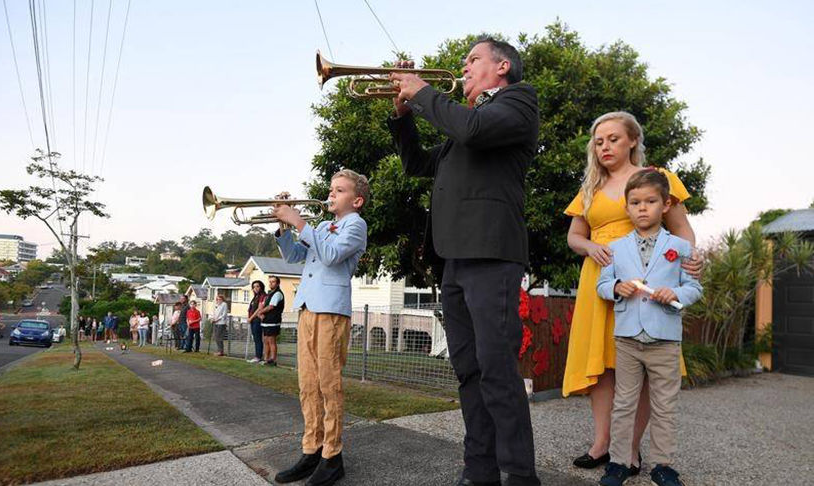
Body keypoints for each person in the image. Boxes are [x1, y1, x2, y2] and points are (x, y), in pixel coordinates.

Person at [387, 38, 540, 486]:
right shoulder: (465, 129)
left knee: (497, 369)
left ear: (503, 66)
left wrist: (421, 91)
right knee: (469, 371)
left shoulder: (518, 101)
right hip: (454, 259)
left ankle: (518, 473)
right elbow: (416, 163)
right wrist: (402, 113)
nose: (464, 67)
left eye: (474, 59)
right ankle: (480, 469)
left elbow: (473, 129)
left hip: (492, 254)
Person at [562, 111, 701, 472]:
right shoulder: (590, 188)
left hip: (646, 282)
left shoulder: (657, 179)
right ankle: (602, 444)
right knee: (604, 367)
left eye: (613, 139)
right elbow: (574, 236)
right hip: (601, 280)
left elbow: (683, 231)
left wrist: (686, 267)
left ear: (633, 140)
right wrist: (590, 247)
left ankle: (631, 450)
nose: (605, 146)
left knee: (642, 361)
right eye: (599, 141)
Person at [595, 170, 702, 486]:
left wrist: (677, 294)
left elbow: (694, 288)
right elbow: (601, 285)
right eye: (635, 202)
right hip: (627, 339)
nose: (642, 208)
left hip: (665, 340)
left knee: (665, 406)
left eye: (650, 201)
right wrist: (616, 286)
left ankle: (663, 466)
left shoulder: (680, 247)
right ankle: (618, 463)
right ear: (627, 207)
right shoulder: (615, 248)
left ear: (665, 204)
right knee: (623, 403)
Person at [271, 169, 368, 486]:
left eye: (339, 190)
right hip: (308, 308)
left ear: (356, 200)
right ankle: (312, 449)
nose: (331, 194)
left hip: (331, 312)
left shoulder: (356, 225)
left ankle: (332, 456)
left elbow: (330, 255)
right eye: (331, 188)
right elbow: (294, 256)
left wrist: (298, 221)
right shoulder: (324, 225)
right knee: (308, 385)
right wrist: (283, 226)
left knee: (329, 385)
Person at [261, 275, 284, 366]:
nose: (271, 283)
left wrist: (260, 312)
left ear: (277, 283)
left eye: (273, 281)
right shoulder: (270, 293)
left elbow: (271, 306)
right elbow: (264, 305)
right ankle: (266, 359)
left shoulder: (277, 293)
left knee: (271, 341)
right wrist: (261, 313)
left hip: (273, 321)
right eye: (270, 281)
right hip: (266, 321)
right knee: (265, 340)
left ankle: (273, 360)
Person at [247, 281, 268, 364]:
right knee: (255, 339)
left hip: (256, 320)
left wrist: (251, 318)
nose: (255, 288)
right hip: (253, 320)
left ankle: (258, 356)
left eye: (257, 286)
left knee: (258, 339)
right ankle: (257, 356)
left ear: (261, 287)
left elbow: (259, 309)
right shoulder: (255, 297)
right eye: (254, 287)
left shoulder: (263, 296)